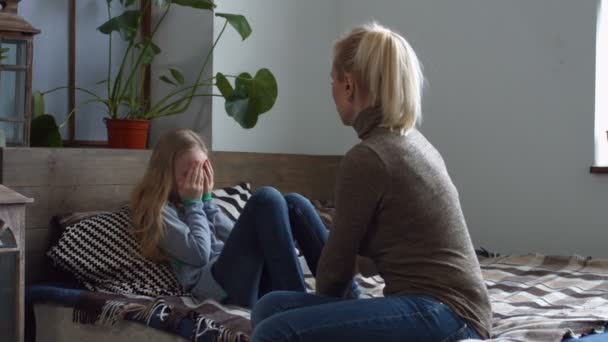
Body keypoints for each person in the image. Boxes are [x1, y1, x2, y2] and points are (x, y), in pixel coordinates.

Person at [251, 22, 492, 342]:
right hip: (449, 310)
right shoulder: (412, 142)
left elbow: (334, 274)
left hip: (448, 316)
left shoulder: (368, 157)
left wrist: (317, 317)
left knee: (275, 330)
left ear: (348, 85)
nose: (332, 89)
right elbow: (376, 253)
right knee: (270, 306)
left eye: (332, 80)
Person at [130, 129, 359, 308]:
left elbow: (234, 237)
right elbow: (199, 255)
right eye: (188, 174)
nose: (196, 181)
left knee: (295, 203)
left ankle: (347, 296)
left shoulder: (200, 204)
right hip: (221, 289)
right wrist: (194, 204)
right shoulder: (159, 211)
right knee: (266, 198)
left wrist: (208, 202)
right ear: (164, 174)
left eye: (202, 172)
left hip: (250, 278)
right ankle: (297, 302)